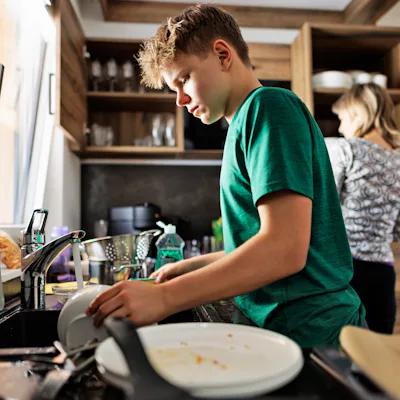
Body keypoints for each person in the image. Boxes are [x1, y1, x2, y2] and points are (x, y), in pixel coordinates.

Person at [86, 4, 365, 347]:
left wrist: (166, 297)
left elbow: (285, 249)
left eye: (184, 79)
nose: (180, 99)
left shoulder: (268, 108)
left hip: (313, 333)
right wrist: (192, 267)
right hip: (286, 328)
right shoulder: (245, 123)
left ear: (222, 54)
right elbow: (262, 242)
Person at [326, 82, 400, 334]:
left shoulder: (346, 149)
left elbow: (325, 208)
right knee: (377, 358)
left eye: (342, 118)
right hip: (383, 272)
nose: (340, 127)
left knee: (340, 356)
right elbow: (398, 230)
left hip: (345, 269)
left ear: (358, 113)